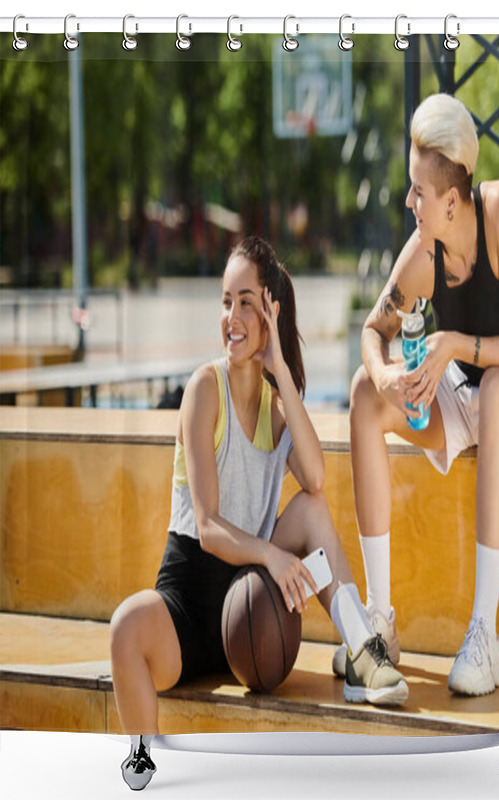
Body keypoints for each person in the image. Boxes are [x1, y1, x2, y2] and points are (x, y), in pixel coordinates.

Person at [110, 236, 407, 791]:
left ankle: (363, 651)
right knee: (125, 627)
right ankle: (144, 763)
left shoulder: (276, 407)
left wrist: (283, 377)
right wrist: (272, 555)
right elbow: (208, 525)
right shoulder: (204, 390)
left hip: (247, 612)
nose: (232, 317)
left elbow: (317, 477)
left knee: (313, 507)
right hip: (190, 601)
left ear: (270, 312)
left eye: (247, 302)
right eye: (227, 301)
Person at [335, 93, 499, 697]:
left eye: (417, 192)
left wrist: (453, 342)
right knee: (360, 395)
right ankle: (381, 621)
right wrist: (383, 377)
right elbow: (371, 330)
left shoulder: (497, 208)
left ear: (451, 200)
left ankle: (485, 635)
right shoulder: (422, 257)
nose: (408, 201)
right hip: (464, 395)